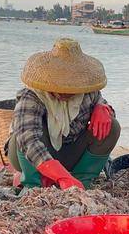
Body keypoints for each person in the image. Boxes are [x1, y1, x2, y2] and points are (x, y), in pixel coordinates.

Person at [7, 38, 120, 189]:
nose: (65, 92)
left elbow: (103, 106)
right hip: (30, 155)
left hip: (68, 151)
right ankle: (34, 184)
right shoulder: (32, 96)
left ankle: (80, 183)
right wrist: (61, 176)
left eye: (71, 87)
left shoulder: (88, 92)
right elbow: (29, 141)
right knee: (22, 136)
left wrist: (103, 109)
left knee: (112, 126)